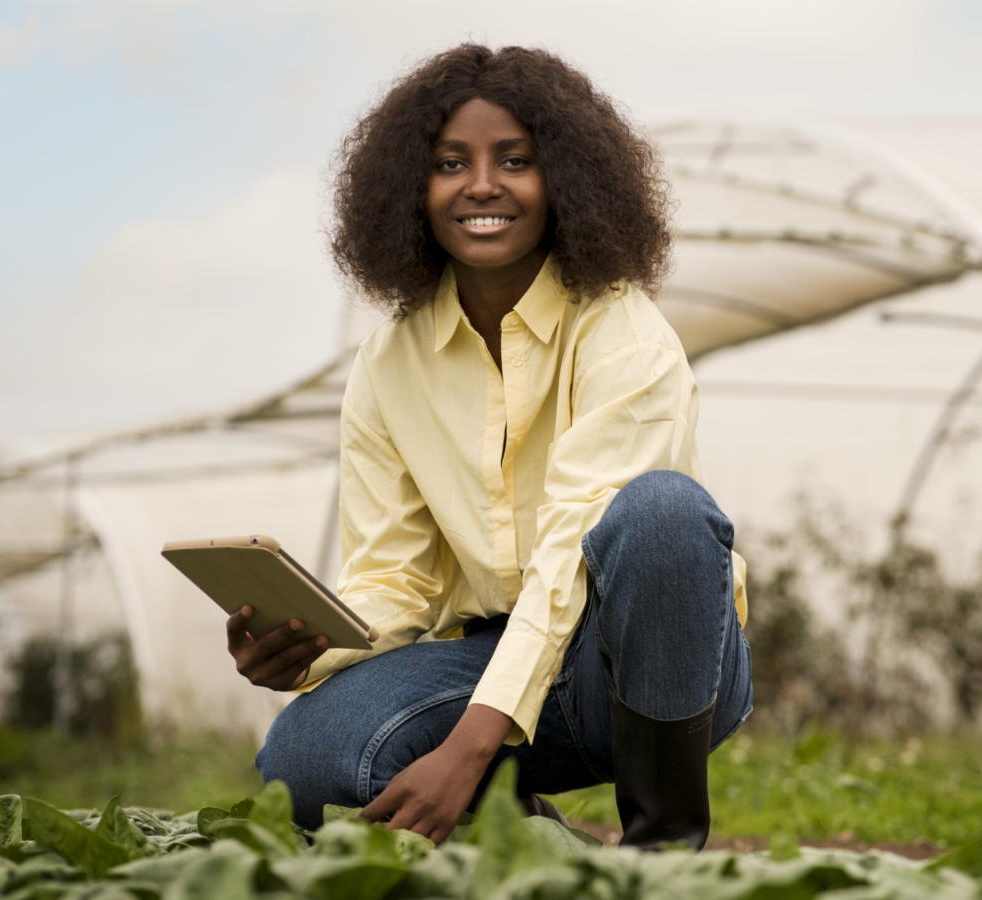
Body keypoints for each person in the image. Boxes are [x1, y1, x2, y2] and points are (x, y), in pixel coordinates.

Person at [228, 44, 752, 850]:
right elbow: (395, 577)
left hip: (645, 671)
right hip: (484, 660)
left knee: (663, 515)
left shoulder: (623, 332)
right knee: (303, 761)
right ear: (412, 187)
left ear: (567, 181)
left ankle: (662, 847)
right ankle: (520, 825)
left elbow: (575, 554)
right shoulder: (387, 363)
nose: (481, 185)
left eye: (516, 160)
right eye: (449, 163)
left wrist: (467, 749)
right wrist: (308, 648)